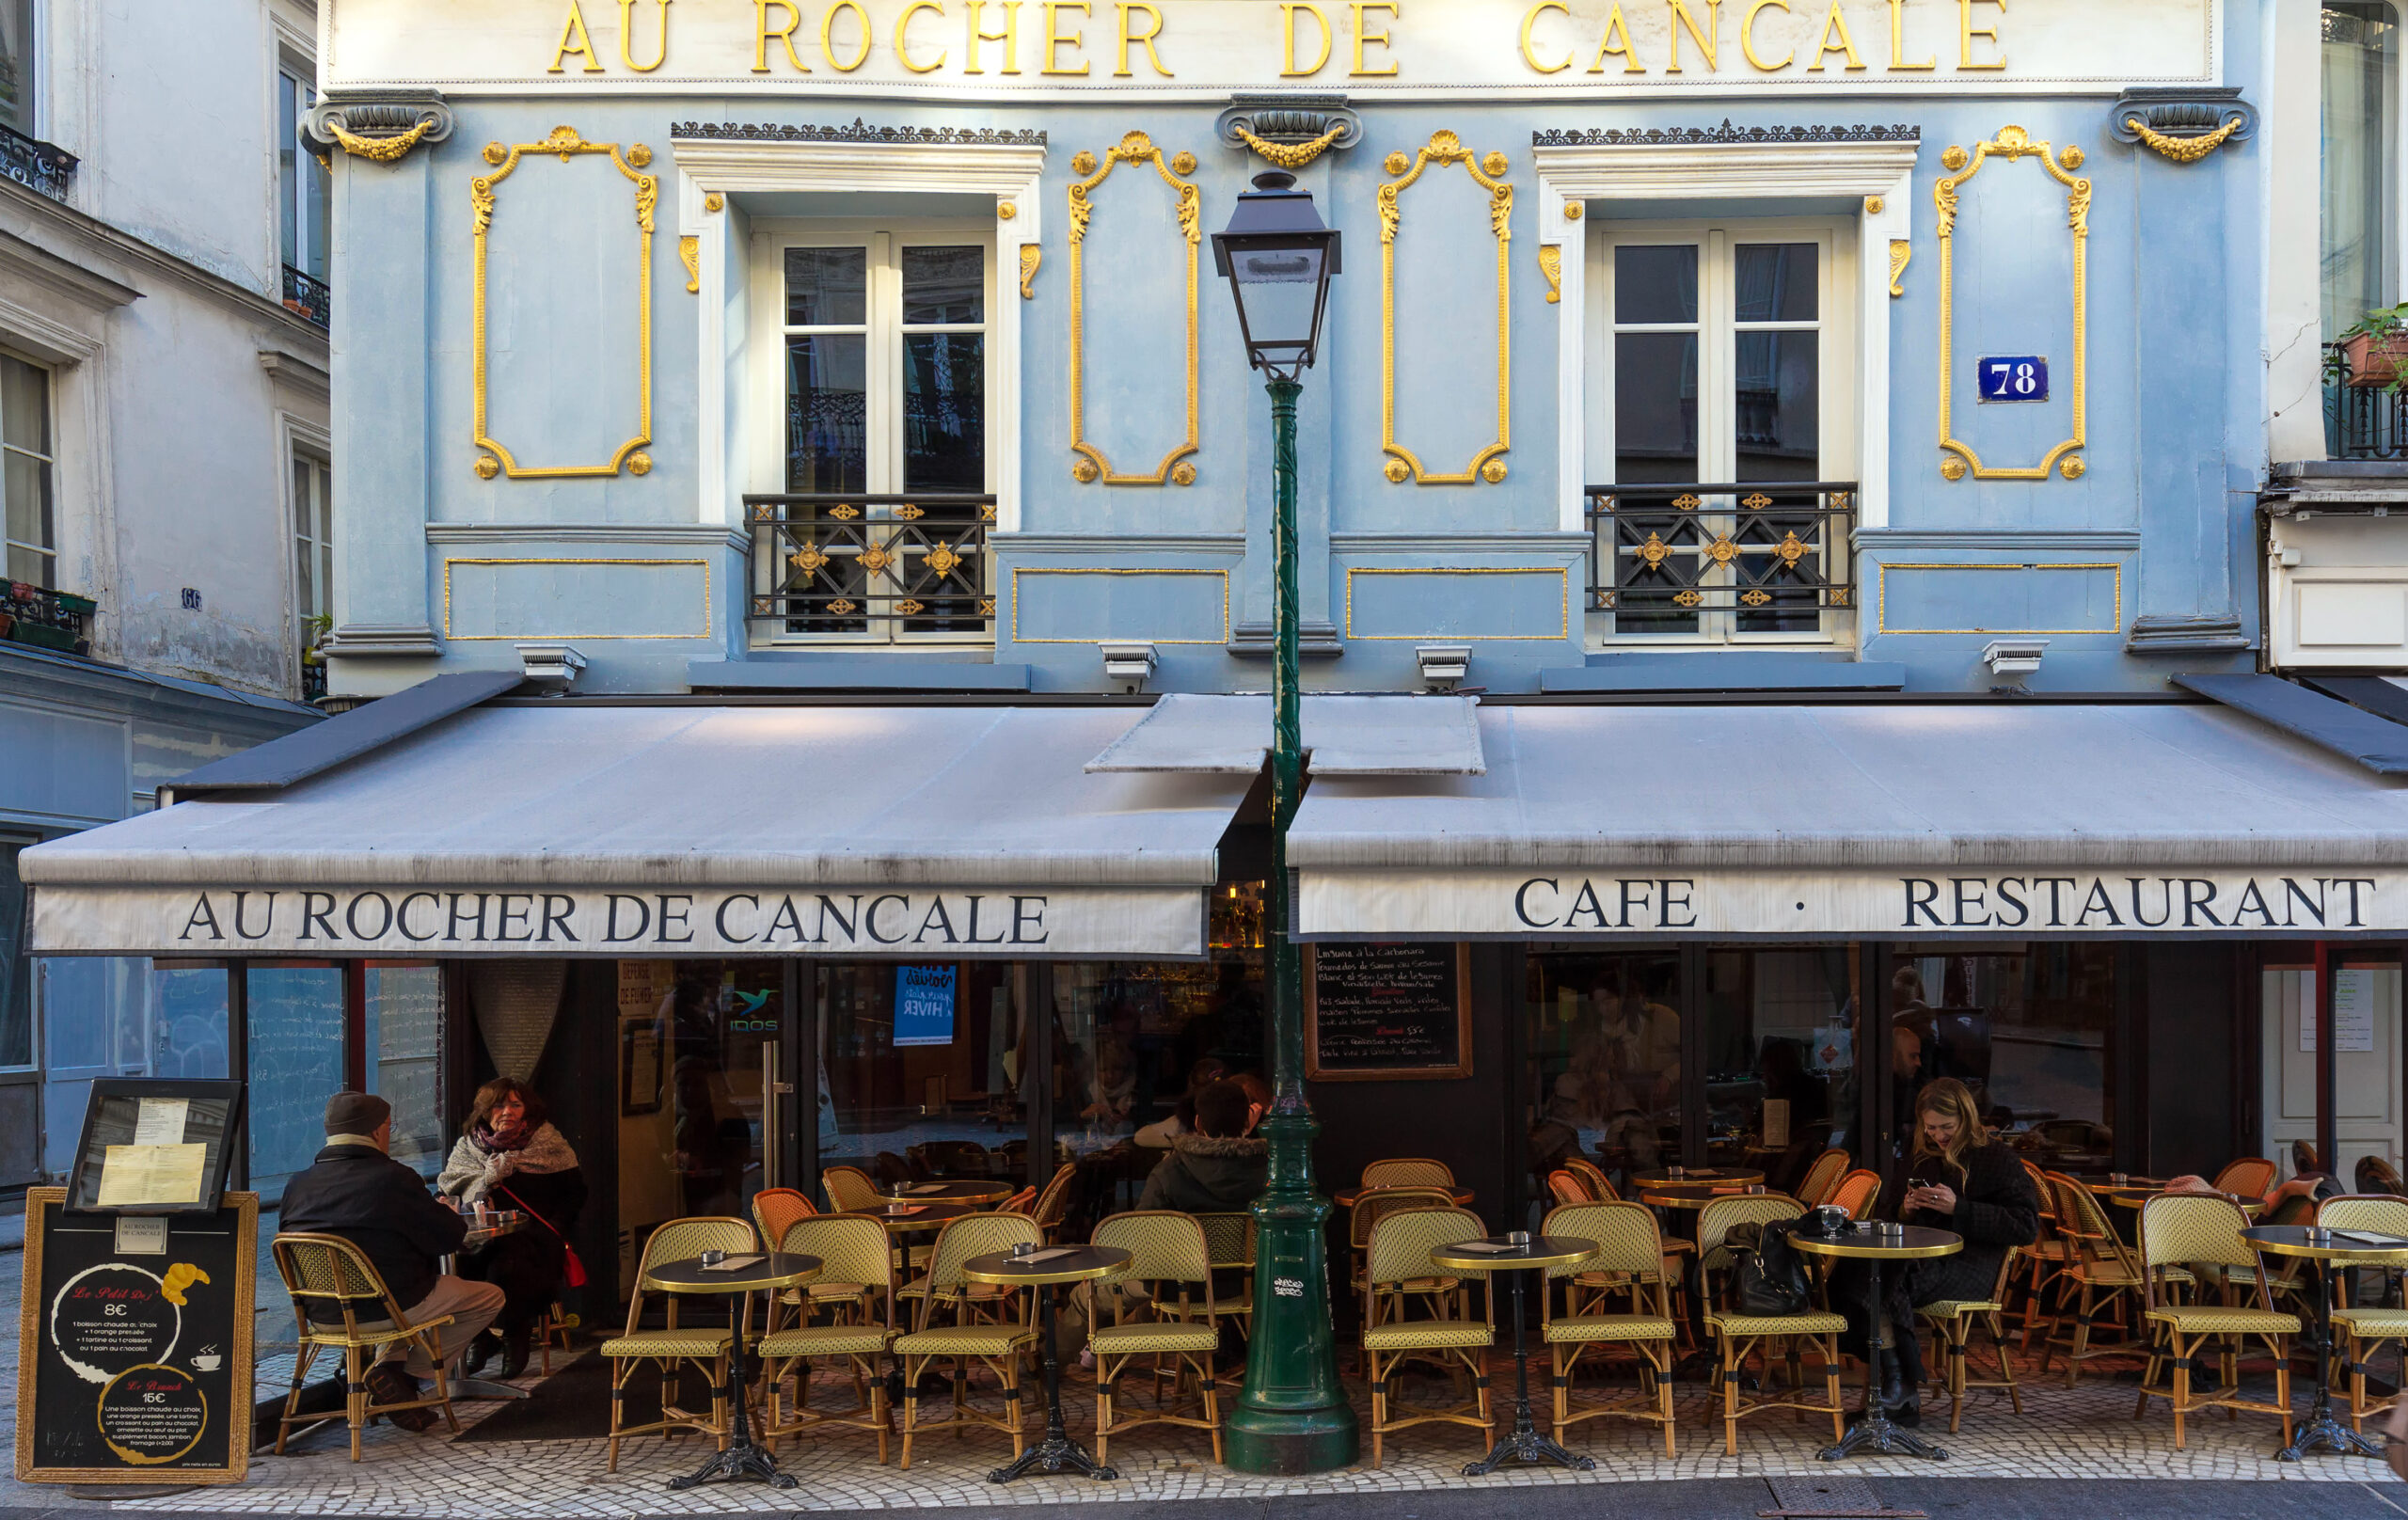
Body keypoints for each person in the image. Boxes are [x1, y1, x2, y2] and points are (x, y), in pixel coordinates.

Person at [278, 1092, 505, 1430]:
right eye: (389, 1127)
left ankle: (391, 1373)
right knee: (488, 1297)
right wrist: (446, 1213)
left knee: (397, 1296)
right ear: (377, 1132)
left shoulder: (297, 1185)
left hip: (321, 1314)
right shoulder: (394, 1178)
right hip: (390, 1306)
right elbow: (447, 1238)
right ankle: (410, 1379)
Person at [1833, 1077, 2036, 1427]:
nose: (1939, 1136)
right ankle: (1895, 1387)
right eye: (1931, 1128)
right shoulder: (1921, 1157)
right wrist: (1905, 1208)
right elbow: (1888, 1211)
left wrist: (1959, 1207)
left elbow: (2025, 1225)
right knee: (1852, 1273)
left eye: (1947, 1127)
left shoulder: (1995, 1158)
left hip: (1971, 1263)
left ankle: (1901, 1387)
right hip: (1921, 1257)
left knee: (1891, 1280)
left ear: (1967, 1120)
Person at [436, 1078, 587, 1378]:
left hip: (536, 1236)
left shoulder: (547, 1143)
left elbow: (576, 1193)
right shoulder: (468, 1147)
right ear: (484, 1111)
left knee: (509, 1264)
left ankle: (515, 1336)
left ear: (527, 1110)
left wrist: (555, 1226)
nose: (507, 1111)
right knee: (459, 1267)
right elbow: (450, 1187)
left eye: (515, 1105)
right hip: (480, 1236)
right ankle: (480, 1338)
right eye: (499, 1105)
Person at [1135, 1079, 1268, 1212]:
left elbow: (1145, 1226)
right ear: (1247, 1123)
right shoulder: (1270, 1172)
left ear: (1198, 1123)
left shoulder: (1169, 1171)